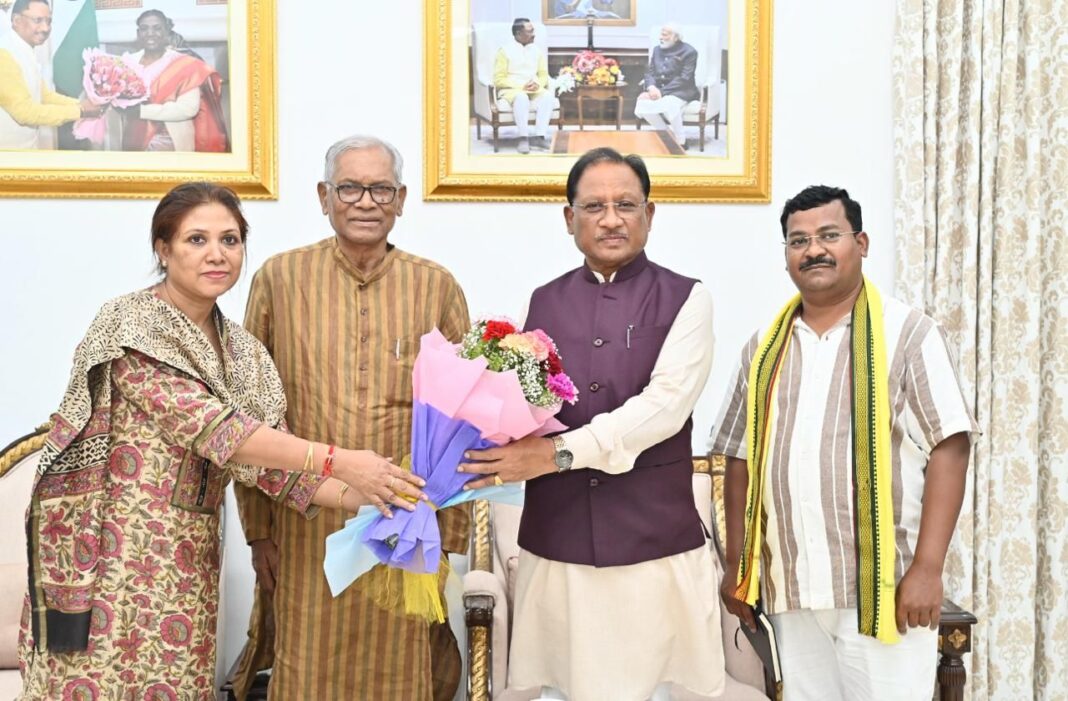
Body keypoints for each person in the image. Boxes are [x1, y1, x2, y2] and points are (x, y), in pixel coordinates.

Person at [16, 182, 427, 699]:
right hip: (107, 557)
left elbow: (278, 470)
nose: (217, 254)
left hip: (186, 561)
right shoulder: (130, 325)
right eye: (197, 239)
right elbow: (217, 429)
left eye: (230, 240)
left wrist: (384, 494)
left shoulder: (244, 353)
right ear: (163, 250)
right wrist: (342, 460)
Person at [460, 148, 727, 701]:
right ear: (569, 218)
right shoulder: (543, 301)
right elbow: (526, 403)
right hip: (558, 539)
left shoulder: (687, 297)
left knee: (657, 689)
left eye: (626, 205)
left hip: (652, 541)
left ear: (649, 214)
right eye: (594, 206)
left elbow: (665, 407)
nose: (611, 219)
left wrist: (555, 454)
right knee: (561, 689)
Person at [711, 185, 979, 701]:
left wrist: (927, 569)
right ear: (786, 256)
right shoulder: (763, 348)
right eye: (798, 241)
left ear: (861, 243)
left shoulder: (909, 333)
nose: (813, 249)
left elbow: (950, 445)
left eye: (828, 235)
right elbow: (738, 457)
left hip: (884, 589)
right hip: (792, 588)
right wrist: (737, 565)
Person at [231, 135, 472, 700]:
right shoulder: (279, 279)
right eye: (350, 188)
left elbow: (463, 417)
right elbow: (248, 415)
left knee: (401, 667)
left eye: (381, 189)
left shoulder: (435, 285)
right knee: (307, 666)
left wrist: (449, 534)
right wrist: (259, 532)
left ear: (401, 199)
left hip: (404, 519)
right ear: (324, 196)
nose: (366, 201)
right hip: (304, 521)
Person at [120, 9, 228, 152]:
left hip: (172, 141)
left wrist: (141, 111)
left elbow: (188, 109)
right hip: (133, 139)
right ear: (138, 33)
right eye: (144, 28)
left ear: (167, 32)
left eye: (157, 28)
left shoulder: (184, 64)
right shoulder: (127, 62)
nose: (150, 33)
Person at [0, 0, 101, 149]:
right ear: (16, 20)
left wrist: (80, 104)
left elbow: (44, 96)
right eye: (38, 20)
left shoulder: (24, 49)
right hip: (7, 154)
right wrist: (80, 111)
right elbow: (24, 112)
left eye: (48, 21)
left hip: (25, 150)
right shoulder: (4, 54)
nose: (45, 28)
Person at [494, 18, 554, 154]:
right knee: (521, 97)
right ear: (518, 33)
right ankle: (523, 138)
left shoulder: (536, 50)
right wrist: (522, 86)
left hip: (534, 88)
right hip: (512, 90)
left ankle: (540, 137)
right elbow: (498, 79)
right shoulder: (504, 51)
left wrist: (537, 84)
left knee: (547, 96)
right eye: (530, 31)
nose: (534, 34)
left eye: (533, 31)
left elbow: (543, 75)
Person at [634, 23, 698, 149]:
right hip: (658, 90)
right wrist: (651, 88)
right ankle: (666, 134)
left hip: (681, 91)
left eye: (665, 35)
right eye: (661, 34)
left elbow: (684, 78)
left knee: (670, 104)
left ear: (676, 37)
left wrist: (661, 92)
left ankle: (681, 140)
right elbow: (650, 73)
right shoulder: (657, 50)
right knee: (642, 102)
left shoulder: (690, 52)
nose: (661, 37)